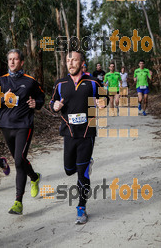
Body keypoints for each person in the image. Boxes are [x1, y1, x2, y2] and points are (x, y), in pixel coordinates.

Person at [50, 50, 108, 224]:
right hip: (68, 132)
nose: (70, 63)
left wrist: (103, 102)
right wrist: (55, 106)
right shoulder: (60, 83)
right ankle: (84, 165)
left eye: (74, 60)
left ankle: (81, 207)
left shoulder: (93, 82)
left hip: (86, 133)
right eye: (68, 60)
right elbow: (52, 101)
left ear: (82, 63)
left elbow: (105, 97)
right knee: (69, 170)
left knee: (82, 175)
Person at [0, 49, 45, 215]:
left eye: (15, 59)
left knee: (19, 160)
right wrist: (1, 99)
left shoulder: (30, 81)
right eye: (10, 59)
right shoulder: (0, 82)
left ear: (22, 62)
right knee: (19, 160)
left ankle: (18, 202)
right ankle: (34, 177)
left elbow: (41, 97)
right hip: (6, 126)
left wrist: (36, 103)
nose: (12, 62)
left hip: (24, 125)